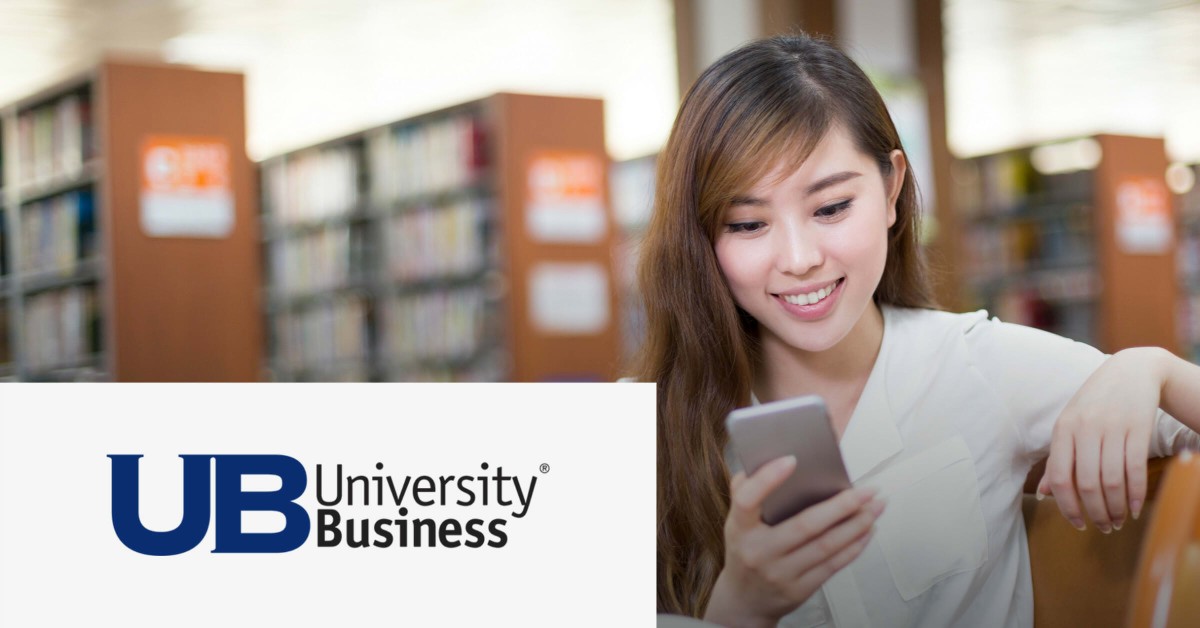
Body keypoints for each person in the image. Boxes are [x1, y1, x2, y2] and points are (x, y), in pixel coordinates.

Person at [637, 33, 1200, 627]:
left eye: (830, 208)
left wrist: (1152, 369)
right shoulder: (639, 426)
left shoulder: (979, 364)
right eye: (748, 224)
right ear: (701, 238)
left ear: (890, 190)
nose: (799, 257)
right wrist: (740, 608)